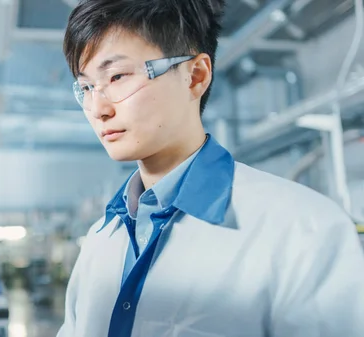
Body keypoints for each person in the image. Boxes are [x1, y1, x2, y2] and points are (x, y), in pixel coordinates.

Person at [56, 0, 364, 336]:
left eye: (117, 76)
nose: (97, 108)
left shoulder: (304, 232)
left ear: (195, 76)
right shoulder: (102, 240)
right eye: (86, 87)